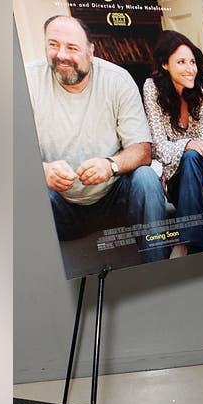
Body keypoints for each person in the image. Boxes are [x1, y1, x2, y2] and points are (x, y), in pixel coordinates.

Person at [25, 15, 167, 264]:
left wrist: (110, 165)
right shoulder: (26, 80)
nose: (62, 55)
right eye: (53, 45)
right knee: (26, 191)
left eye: (72, 48)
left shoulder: (118, 79)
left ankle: (158, 270)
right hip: (59, 206)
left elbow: (143, 150)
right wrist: (43, 171)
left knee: (146, 179)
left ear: (91, 51)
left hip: (114, 199)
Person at [141, 30, 203, 255]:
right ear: (165, 65)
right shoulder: (152, 88)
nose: (190, 68)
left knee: (195, 156)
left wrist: (185, 148)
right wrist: (187, 145)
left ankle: (184, 241)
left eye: (193, 62)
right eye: (181, 62)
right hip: (183, 186)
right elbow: (157, 147)